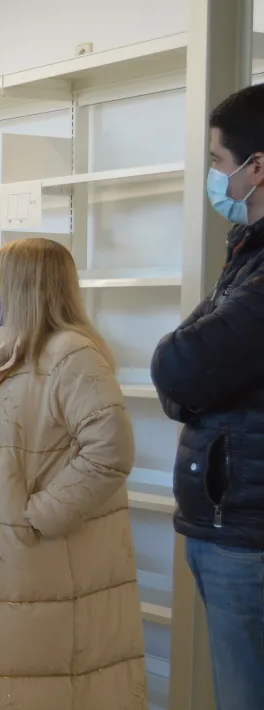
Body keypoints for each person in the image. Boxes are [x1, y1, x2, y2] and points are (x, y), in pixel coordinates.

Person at [0, 237, 146, 708]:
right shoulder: (24, 354)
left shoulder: (71, 355)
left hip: (45, 556)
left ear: (24, 287)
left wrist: (38, 515)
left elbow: (110, 451)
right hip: (18, 559)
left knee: (48, 681)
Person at [151, 83, 264, 709]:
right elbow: (186, 371)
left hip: (246, 530)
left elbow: (178, 364)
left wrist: (189, 386)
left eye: (220, 163)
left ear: (257, 168)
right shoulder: (247, 255)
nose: (216, 179)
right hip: (233, 520)